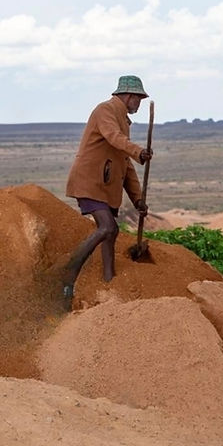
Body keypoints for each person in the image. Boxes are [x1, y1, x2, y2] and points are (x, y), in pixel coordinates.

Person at [60, 75, 154, 308]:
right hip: (90, 182)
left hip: (104, 186)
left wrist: (138, 200)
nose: (139, 105)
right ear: (129, 96)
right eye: (138, 100)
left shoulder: (122, 119)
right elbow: (114, 137)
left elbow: (125, 164)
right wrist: (138, 150)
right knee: (107, 227)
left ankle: (108, 279)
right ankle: (69, 270)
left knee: (112, 232)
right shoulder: (106, 111)